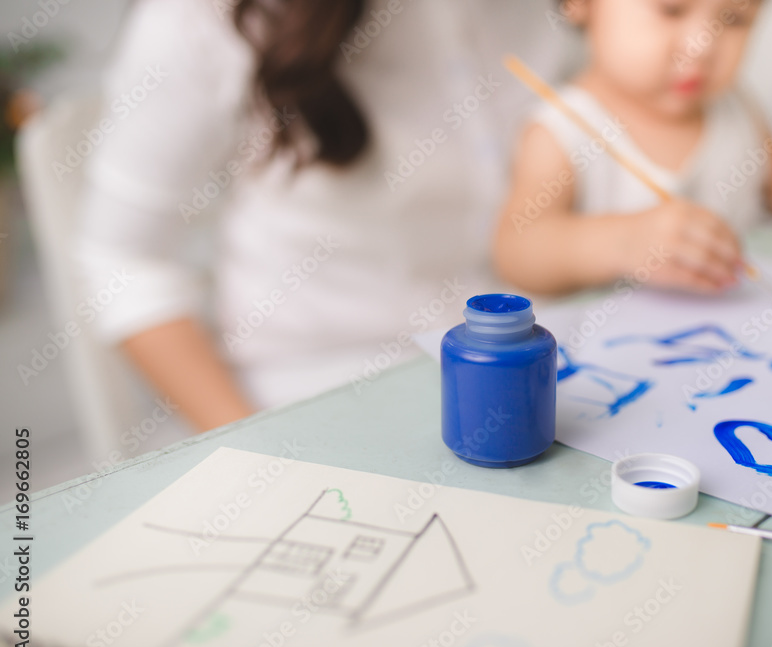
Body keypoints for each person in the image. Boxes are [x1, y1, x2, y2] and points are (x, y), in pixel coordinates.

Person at [74, 0, 578, 431]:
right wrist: (249, 447)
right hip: (317, 396)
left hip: (548, 359)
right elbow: (122, 259)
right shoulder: (201, 18)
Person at [494, 0, 772, 295]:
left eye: (734, 19)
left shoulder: (733, 108)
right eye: (671, 9)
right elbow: (517, 249)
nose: (702, 46)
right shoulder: (562, 131)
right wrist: (624, 242)